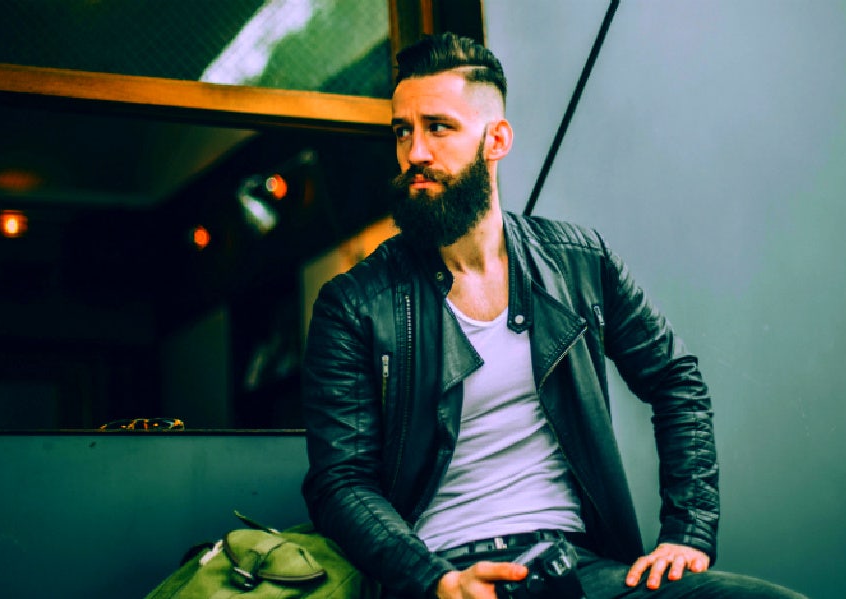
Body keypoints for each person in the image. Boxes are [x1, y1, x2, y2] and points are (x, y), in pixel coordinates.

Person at [301, 32, 804, 599]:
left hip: (580, 569)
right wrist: (435, 580)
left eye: (438, 127)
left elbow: (676, 379)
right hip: (445, 577)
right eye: (402, 131)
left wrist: (688, 533)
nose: (415, 152)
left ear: (497, 139)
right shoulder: (355, 304)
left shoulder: (579, 261)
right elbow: (339, 482)